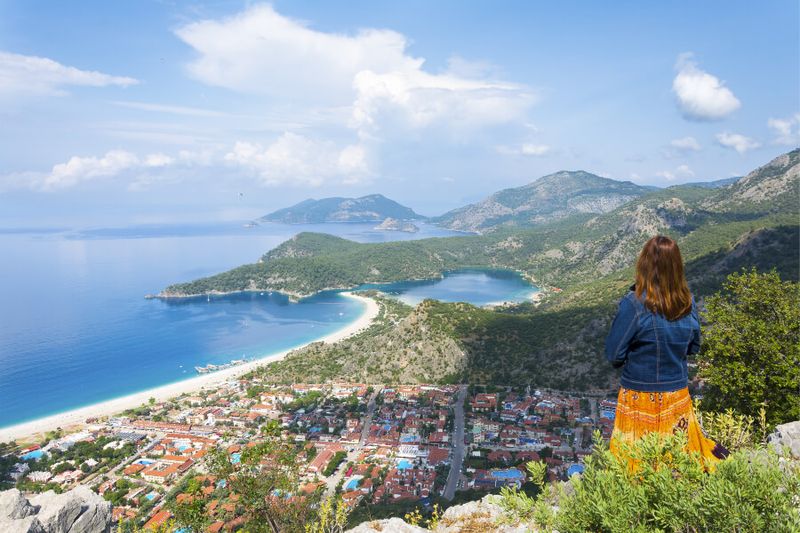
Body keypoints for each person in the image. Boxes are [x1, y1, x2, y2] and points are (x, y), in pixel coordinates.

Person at [605, 235, 728, 467]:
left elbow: (614, 355)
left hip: (638, 396)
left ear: (643, 265)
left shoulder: (634, 303)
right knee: (679, 457)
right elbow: (694, 346)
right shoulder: (687, 302)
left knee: (633, 462)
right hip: (677, 394)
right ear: (677, 266)